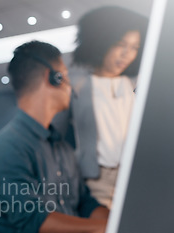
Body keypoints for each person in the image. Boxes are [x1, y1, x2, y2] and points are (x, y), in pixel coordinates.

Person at [0, 41, 109, 233]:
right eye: (65, 75)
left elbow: (85, 203)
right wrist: (106, 228)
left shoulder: (62, 147)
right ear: (53, 77)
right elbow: (35, 223)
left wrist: (115, 223)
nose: (71, 86)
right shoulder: (5, 149)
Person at [54, 6, 148, 208]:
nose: (126, 54)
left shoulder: (138, 83)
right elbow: (55, 134)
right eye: (120, 44)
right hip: (97, 180)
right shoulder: (77, 84)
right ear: (101, 42)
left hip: (136, 176)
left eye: (134, 48)